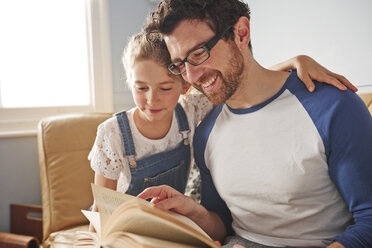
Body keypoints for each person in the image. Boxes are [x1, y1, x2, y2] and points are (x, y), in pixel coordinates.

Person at [138, 0, 372, 248]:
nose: (192, 76)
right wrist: (194, 212)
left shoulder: (333, 107)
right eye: (180, 64)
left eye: (198, 53)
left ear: (241, 33)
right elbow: (224, 225)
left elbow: (369, 220)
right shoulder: (206, 132)